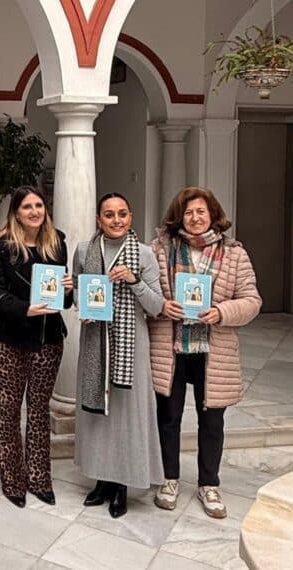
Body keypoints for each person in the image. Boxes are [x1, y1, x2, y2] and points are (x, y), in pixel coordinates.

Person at [150, 187, 262, 519]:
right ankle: (169, 479)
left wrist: (222, 312)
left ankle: (208, 484)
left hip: (214, 350)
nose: (195, 218)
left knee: (211, 421)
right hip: (169, 348)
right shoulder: (159, 250)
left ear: (213, 214)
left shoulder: (235, 254)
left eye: (202, 211)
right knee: (168, 418)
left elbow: (252, 300)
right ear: (178, 216)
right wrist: (160, 307)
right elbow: (144, 293)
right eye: (188, 213)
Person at [72, 193, 165, 518]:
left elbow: (157, 306)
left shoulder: (144, 255)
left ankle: (123, 484)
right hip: (95, 341)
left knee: (126, 414)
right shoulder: (85, 250)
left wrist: (134, 280)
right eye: (108, 215)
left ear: (131, 216)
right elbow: (78, 296)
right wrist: (75, 298)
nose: (116, 220)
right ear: (99, 219)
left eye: (122, 214)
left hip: (130, 347)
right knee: (98, 417)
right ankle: (102, 480)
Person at [0, 186, 73, 507]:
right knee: (9, 410)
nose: (34, 211)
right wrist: (24, 308)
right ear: (15, 213)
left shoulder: (56, 242)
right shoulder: (1, 248)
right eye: (27, 207)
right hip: (10, 339)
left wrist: (68, 288)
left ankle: (39, 477)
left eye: (39, 205)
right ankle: (13, 478)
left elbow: (63, 299)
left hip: (48, 339)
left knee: (38, 410)